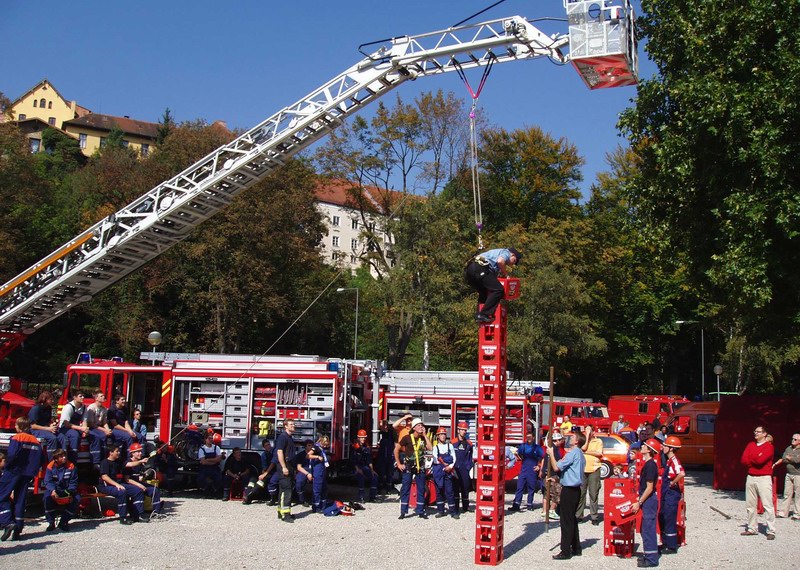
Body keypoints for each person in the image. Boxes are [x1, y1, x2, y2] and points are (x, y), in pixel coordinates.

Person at [0, 417, 46, 541]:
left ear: (19, 426)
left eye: (15, 425)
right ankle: (18, 530)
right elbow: (42, 460)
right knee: (20, 500)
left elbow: (12, 454)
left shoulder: (17, 438)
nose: (15, 427)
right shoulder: (36, 441)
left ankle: (7, 522)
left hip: (13, 471)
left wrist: (7, 467)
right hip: (27, 474)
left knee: (2, 496)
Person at [547, 430, 586, 560]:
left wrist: (551, 454)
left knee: (566, 521)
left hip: (569, 490)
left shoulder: (573, 453)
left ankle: (565, 550)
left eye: (573, 437)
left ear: (577, 441)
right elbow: (570, 472)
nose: (570, 438)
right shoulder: (580, 454)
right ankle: (576, 547)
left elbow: (557, 467)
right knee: (572, 519)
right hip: (575, 489)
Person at [464, 247, 522, 323]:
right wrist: (506, 275)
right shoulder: (506, 253)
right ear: (513, 255)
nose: (512, 264)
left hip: (470, 270)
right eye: (514, 261)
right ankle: (484, 314)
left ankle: (479, 314)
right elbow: (500, 261)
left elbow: (492, 276)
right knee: (499, 290)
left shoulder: (496, 256)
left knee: (484, 292)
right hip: (480, 268)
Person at [740, 425, 776, 539]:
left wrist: (752, 458)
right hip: (750, 477)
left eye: (759, 432)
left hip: (764, 478)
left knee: (767, 505)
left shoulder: (769, 447)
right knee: (750, 505)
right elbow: (743, 460)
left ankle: (771, 530)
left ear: (765, 434)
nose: (756, 433)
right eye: (755, 431)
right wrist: (753, 460)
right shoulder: (750, 445)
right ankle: (752, 528)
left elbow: (760, 460)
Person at [631, 438, 661, 568]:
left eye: (644, 446)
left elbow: (649, 488)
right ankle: (649, 555)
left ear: (649, 450)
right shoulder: (649, 464)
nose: (642, 447)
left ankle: (651, 560)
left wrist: (639, 502)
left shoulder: (650, 466)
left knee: (648, 529)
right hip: (647, 500)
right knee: (645, 529)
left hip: (648, 500)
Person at [98, 444, 144, 525]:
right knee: (122, 492)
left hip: (118, 484)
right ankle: (123, 517)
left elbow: (130, 464)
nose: (119, 453)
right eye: (117, 451)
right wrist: (117, 485)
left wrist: (141, 461)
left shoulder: (119, 461)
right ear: (111, 453)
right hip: (106, 486)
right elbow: (105, 477)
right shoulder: (104, 462)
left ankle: (138, 515)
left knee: (137, 490)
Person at [395, 417, 432, 519]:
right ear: (414, 428)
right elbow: (396, 450)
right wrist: (399, 464)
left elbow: (430, 448)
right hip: (408, 467)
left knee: (421, 489)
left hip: (420, 467)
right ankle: (403, 511)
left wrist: (425, 435)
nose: (421, 427)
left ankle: (420, 511)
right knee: (406, 489)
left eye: (422, 425)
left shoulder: (423, 438)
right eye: (419, 425)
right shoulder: (407, 438)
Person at [125, 442, 164, 519]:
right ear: (132, 453)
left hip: (139, 482)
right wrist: (140, 484)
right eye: (138, 452)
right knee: (138, 490)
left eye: (141, 451)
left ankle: (156, 512)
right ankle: (139, 513)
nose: (140, 453)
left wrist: (145, 475)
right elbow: (127, 479)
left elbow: (141, 476)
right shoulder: (128, 462)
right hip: (130, 484)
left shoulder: (141, 463)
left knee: (155, 490)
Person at [659, 436, 685, 554]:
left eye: (665, 446)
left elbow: (681, 473)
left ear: (670, 448)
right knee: (663, 516)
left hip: (672, 493)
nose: (662, 447)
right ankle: (665, 543)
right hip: (667, 493)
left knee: (669, 518)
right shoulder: (669, 460)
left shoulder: (674, 460)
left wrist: (672, 483)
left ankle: (671, 546)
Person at [43, 449, 80, 532]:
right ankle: (51, 523)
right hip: (55, 489)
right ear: (56, 459)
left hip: (67, 490)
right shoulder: (50, 467)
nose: (64, 458)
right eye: (61, 456)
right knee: (47, 498)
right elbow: (48, 481)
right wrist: (52, 490)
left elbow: (73, 481)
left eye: (64, 456)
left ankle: (63, 522)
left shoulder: (71, 466)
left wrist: (69, 492)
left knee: (76, 499)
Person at [509, 431, 543, 512]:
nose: (529, 439)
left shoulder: (537, 448)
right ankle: (516, 505)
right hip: (524, 469)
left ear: (533, 438)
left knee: (531, 488)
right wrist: (517, 456)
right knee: (520, 487)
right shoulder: (523, 446)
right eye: (527, 437)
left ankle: (529, 504)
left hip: (532, 470)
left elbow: (542, 457)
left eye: (530, 437)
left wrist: (539, 466)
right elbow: (518, 455)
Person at [431, 426, 459, 519]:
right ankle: (440, 510)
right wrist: (445, 463)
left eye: (444, 434)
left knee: (450, 491)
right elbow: (435, 460)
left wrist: (450, 466)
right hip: (439, 472)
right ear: (438, 436)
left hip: (448, 472)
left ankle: (453, 512)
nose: (443, 436)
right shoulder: (435, 447)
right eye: (441, 434)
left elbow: (454, 458)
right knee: (439, 491)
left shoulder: (449, 446)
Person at [577, 425, 603, 525]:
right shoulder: (583, 440)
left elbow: (599, 453)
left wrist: (586, 452)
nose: (587, 432)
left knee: (593, 493)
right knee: (581, 493)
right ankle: (579, 515)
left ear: (593, 432)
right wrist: (587, 437)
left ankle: (594, 516)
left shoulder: (598, 441)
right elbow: (582, 449)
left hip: (594, 469)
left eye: (589, 431)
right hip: (583, 469)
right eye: (586, 431)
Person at [773, 432, 800, 519]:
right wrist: (791, 459)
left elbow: (798, 460)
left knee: (798, 495)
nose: (793, 440)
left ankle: (797, 514)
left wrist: (790, 458)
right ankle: (783, 513)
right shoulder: (788, 448)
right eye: (792, 438)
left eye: (795, 439)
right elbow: (784, 458)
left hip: (798, 475)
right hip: (788, 474)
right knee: (787, 493)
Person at [57, 389, 88, 463]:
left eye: (83, 396)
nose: (83, 397)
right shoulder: (69, 407)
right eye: (80, 396)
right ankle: (72, 460)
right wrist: (81, 428)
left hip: (76, 428)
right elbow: (66, 423)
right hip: (65, 428)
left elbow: (84, 421)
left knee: (93, 435)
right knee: (75, 435)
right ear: (75, 397)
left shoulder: (84, 407)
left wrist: (85, 430)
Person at [275, 419, 297, 522]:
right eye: (291, 424)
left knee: (283, 489)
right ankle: (285, 515)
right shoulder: (283, 438)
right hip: (285, 466)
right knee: (286, 490)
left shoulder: (290, 438)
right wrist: (284, 467)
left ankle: (281, 511)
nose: (293, 426)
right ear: (285, 426)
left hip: (290, 466)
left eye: (294, 424)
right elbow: (280, 453)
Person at [28, 390, 59, 460]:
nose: (53, 401)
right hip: (35, 430)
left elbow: (47, 422)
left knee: (61, 437)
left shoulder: (49, 408)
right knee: (52, 438)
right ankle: (51, 460)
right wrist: (48, 429)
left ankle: (61, 457)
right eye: (51, 399)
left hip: (45, 429)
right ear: (45, 399)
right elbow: (32, 426)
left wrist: (51, 425)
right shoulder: (36, 409)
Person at [85, 390, 113, 465]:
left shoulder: (104, 409)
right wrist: (104, 430)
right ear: (96, 398)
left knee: (107, 435)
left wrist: (108, 429)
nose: (104, 397)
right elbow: (90, 423)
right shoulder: (91, 408)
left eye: (103, 396)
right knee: (99, 436)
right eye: (101, 396)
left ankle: (105, 458)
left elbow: (104, 422)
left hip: (99, 427)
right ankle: (96, 461)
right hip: (92, 427)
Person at [452, 421, 474, 513]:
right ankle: (456, 507)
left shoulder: (469, 444)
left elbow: (471, 457)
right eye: (462, 430)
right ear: (458, 430)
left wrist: (468, 466)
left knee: (465, 488)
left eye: (465, 430)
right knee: (456, 488)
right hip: (456, 468)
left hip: (465, 468)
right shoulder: (453, 442)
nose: (464, 432)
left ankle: (466, 506)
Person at [352, 429, 378, 502]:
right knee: (361, 478)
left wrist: (372, 470)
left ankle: (372, 497)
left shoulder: (367, 447)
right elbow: (353, 460)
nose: (363, 439)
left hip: (365, 467)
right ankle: (361, 497)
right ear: (358, 438)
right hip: (357, 467)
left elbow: (369, 461)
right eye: (361, 437)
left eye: (364, 437)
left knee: (375, 477)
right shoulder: (355, 447)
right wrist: (357, 469)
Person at [544, 432, 565, 520]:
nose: (558, 442)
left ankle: (544, 511)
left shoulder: (550, 448)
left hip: (548, 473)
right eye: (557, 440)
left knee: (547, 494)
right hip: (554, 474)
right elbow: (555, 464)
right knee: (557, 493)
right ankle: (552, 510)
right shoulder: (554, 450)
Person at [197, 431, 224, 498]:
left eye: (211, 438)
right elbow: (203, 462)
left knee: (219, 478)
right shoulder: (202, 449)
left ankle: (215, 491)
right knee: (201, 478)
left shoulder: (216, 448)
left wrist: (208, 460)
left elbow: (219, 459)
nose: (211, 440)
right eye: (209, 438)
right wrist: (214, 460)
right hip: (205, 468)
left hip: (214, 467)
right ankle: (205, 490)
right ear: (205, 439)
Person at [309, 435, 330, 513]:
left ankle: (323, 505)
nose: (325, 446)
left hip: (322, 471)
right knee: (317, 490)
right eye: (324, 444)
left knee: (324, 489)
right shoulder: (316, 448)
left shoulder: (322, 449)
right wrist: (317, 457)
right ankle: (316, 507)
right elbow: (308, 455)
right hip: (317, 471)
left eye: (326, 444)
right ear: (321, 441)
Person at [376, 420, 396, 495]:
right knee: (381, 473)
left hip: (389, 456)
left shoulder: (390, 434)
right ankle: (379, 489)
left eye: (386, 425)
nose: (385, 427)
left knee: (389, 474)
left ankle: (388, 490)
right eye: (383, 425)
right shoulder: (380, 434)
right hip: (381, 456)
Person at [293, 440, 314, 506]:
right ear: (305, 447)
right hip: (304, 469)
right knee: (299, 482)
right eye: (309, 445)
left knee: (320, 482)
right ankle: (301, 499)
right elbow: (299, 467)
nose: (311, 447)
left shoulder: (316, 454)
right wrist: (307, 474)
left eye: (312, 445)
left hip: (314, 469)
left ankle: (317, 500)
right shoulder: (300, 455)